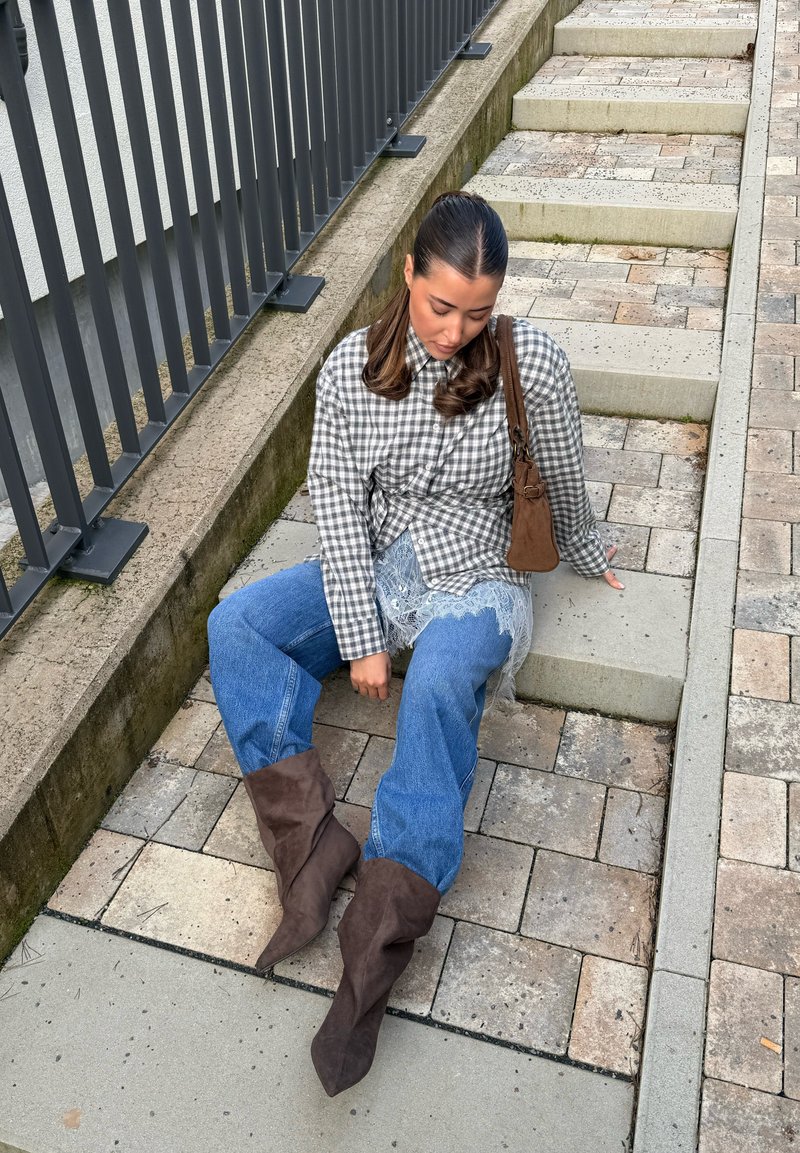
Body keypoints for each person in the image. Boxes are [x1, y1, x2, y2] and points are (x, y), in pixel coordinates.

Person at [207, 191, 622, 1098]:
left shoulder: (530, 363)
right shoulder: (350, 370)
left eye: (478, 311)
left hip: (478, 577)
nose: (456, 330)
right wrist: (361, 637)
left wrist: (589, 552)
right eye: (441, 306)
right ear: (408, 273)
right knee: (235, 627)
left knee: (436, 682)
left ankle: (375, 949)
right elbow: (335, 508)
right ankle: (311, 852)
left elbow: (560, 470)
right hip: (378, 566)